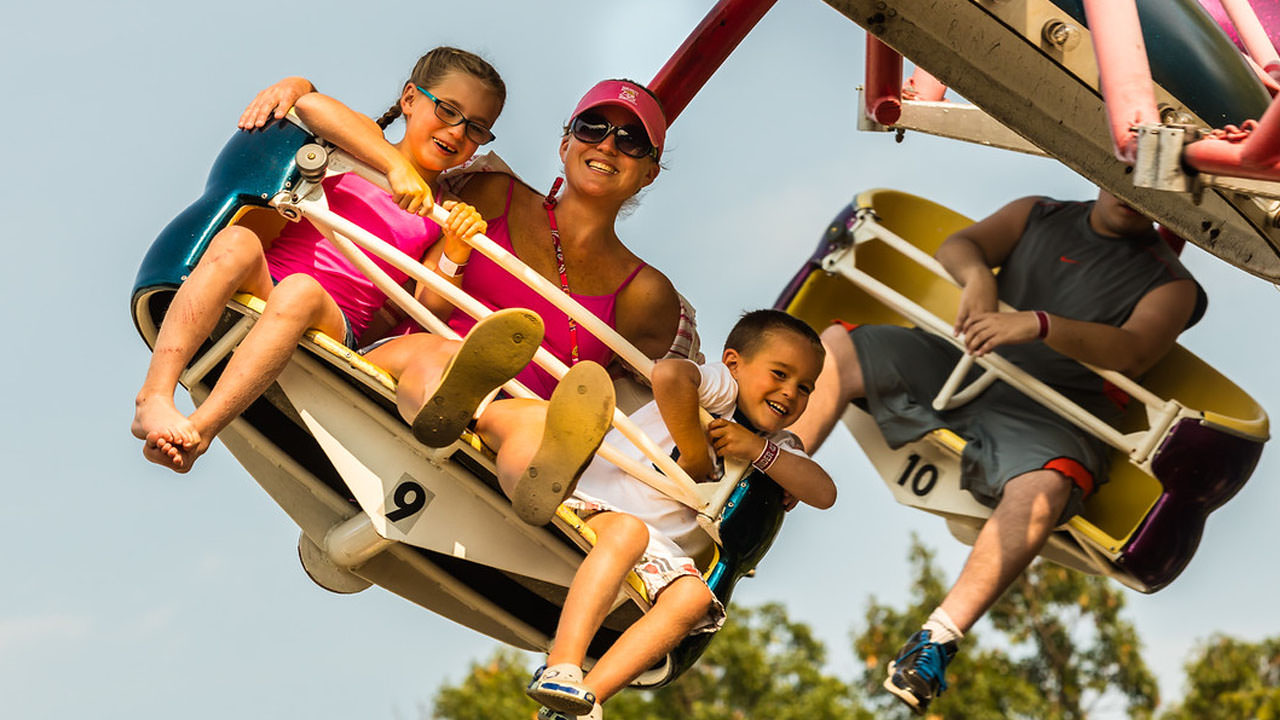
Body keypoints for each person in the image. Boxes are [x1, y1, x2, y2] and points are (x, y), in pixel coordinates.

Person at [789, 189, 1202, 714]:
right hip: (966, 364)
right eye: (1125, 174)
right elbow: (960, 246)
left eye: (1153, 190)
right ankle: (767, 477)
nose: (1133, 195)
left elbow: (1134, 350)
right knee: (839, 346)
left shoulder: (1172, 285)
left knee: (1049, 484)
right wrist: (980, 276)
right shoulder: (1040, 213)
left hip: (1051, 415)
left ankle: (936, 639)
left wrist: (1037, 323)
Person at [242, 76, 701, 448]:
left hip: (513, 418)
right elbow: (395, 170)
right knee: (436, 364)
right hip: (408, 369)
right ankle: (451, 409)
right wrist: (300, 89)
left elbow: (691, 392)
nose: (607, 145)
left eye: (632, 140)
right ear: (566, 145)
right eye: (592, 128)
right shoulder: (489, 192)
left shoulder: (648, 295)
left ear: (649, 172)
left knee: (533, 427)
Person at [131, 47, 506, 472]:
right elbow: (311, 106)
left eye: (476, 128)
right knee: (235, 240)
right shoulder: (367, 142)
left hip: (333, 319)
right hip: (267, 281)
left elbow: (430, 306)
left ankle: (200, 430)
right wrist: (393, 166)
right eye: (448, 110)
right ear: (409, 100)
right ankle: (154, 397)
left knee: (301, 292)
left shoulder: (439, 210)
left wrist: (457, 248)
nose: (457, 133)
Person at [464, 310, 835, 720]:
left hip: (654, 543)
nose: (790, 393)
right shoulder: (721, 389)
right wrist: (694, 450)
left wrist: (760, 452)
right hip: (594, 497)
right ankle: (562, 667)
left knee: (694, 599)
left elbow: (823, 491)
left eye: (805, 388)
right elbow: (671, 377)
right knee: (627, 533)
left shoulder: (775, 443)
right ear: (734, 363)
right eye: (779, 374)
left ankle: (582, 701)